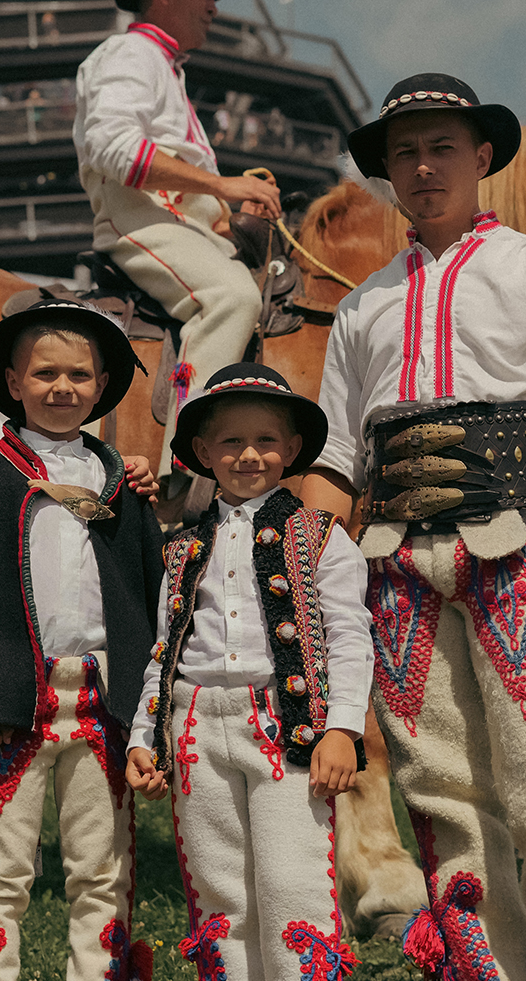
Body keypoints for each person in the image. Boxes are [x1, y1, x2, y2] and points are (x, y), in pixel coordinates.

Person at [302, 73, 526, 981]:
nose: (424, 167)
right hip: (396, 570)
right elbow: (336, 462)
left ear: (483, 157)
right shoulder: (361, 305)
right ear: (387, 170)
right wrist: (294, 577)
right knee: (441, 799)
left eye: (442, 148)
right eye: (406, 153)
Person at [0, 301, 163, 981]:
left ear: (103, 386)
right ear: (13, 382)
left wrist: (146, 710)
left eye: (79, 375)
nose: (62, 388)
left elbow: (148, 594)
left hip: (102, 701)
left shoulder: (121, 483)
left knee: (103, 869)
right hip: (11, 702)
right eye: (45, 373)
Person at [124, 363, 373, 981]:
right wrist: (145, 737)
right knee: (219, 887)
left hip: (284, 726)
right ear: (203, 452)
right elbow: (165, 649)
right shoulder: (182, 547)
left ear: (292, 448)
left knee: (293, 881)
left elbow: (348, 637)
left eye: (266, 440)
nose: (249, 454)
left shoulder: (322, 537)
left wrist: (342, 728)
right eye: (231, 441)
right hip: (195, 728)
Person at [74, 0, 283, 481]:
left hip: (176, 219)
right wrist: (222, 186)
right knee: (232, 298)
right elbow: (114, 150)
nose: (214, 7)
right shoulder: (131, 52)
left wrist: (223, 211)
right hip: (138, 215)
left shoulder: (165, 65)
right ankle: (184, 471)